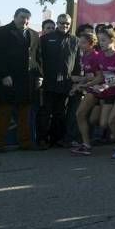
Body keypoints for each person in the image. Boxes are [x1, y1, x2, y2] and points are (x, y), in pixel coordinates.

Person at [0, 8, 39, 151]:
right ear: (15, 17)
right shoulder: (1, 32)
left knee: (25, 113)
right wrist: (4, 75)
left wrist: (39, 75)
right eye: (22, 17)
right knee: (4, 112)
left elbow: (38, 57)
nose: (24, 20)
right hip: (8, 79)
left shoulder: (34, 34)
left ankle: (25, 143)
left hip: (27, 79)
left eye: (27, 18)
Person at [36, 13, 80, 149]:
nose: (64, 25)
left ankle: (56, 140)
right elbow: (38, 60)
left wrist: (76, 81)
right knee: (45, 112)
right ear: (57, 23)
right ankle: (42, 139)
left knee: (59, 114)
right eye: (61, 23)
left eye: (67, 23)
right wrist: (40, 76)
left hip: (66, 84)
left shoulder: (75, 40)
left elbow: (77, 63)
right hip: (48, 82)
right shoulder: (45, 39)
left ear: (70, 24)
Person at [70, 32, 101, 155]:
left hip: (99, 90)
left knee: (80, 114)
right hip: (92, 89)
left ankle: (86, 144)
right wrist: (78, 84)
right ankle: (86, 143)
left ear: (92, 44)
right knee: (93, 119)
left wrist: (82, 84)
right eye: (79, 42)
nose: (80, 45)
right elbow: (89, 76)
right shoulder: (84, 56)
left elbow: (99, 77)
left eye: (83, 43)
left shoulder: (96, 56)